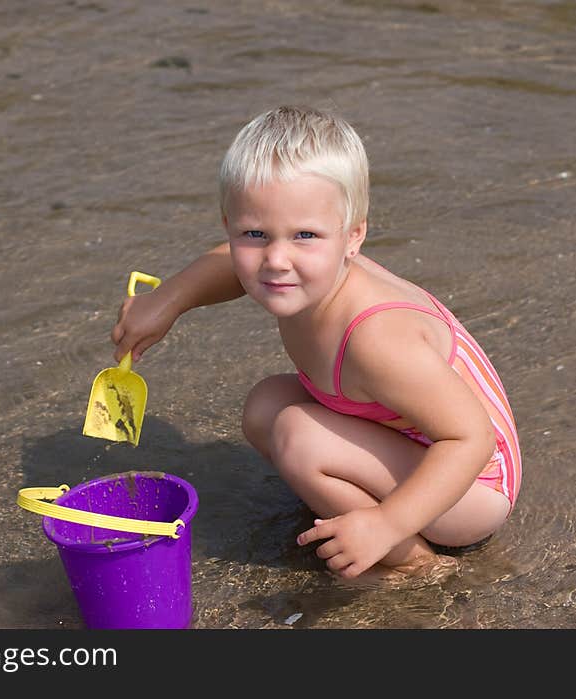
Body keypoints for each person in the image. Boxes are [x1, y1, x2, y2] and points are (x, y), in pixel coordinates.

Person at [110, 106, 522, 580]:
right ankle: (361, 513)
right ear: (229, 225)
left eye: (305, 235)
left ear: (353, 237)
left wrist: (388, 524)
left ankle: (412, 562)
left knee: (298, 437)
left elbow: (471, 439)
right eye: (255, 233)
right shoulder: (303, 270)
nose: (276, 259)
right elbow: (228, 265)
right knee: (268, 405)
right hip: (418, 445)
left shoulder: (377, 340)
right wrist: (167, 301)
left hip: (469, 489)